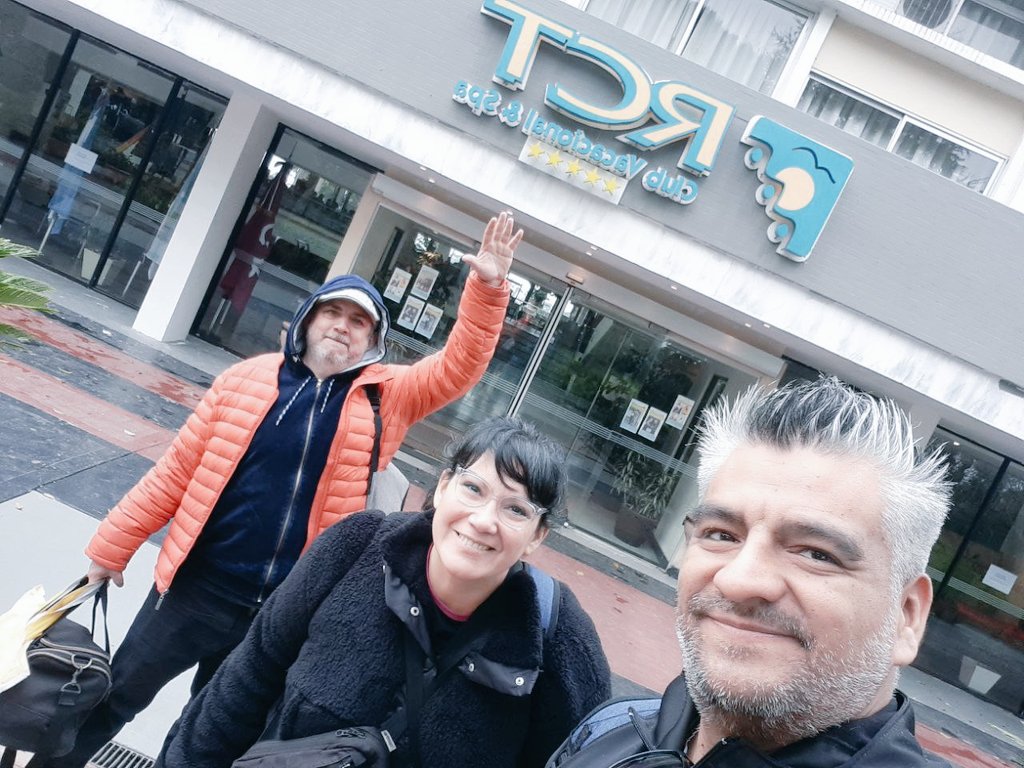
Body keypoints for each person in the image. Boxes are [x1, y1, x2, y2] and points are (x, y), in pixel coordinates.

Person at [31, 212, 524, 768]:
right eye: (332, 313)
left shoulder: (387, 397)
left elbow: (459, 366)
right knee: (115, 696)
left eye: (358, 321)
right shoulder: (243, 381)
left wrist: (487, 289)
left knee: (214, 732)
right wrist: (110, 548)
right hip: (196, 588)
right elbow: (176, 472)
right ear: (307, 320)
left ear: (373, 341)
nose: (342, 326)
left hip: (283, 609)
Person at [547, 377, 953, 768]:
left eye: (816, 554)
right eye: (721, 535)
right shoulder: (606, 732)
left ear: (907, 617)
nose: (737, 580)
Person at [161, 417, 612, 768]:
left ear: (537, 536)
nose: (483, 520)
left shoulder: (560, 641)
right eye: (473, 488)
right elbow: (246, 679)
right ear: (443, 487)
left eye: (515, 510)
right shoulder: (356, 547)